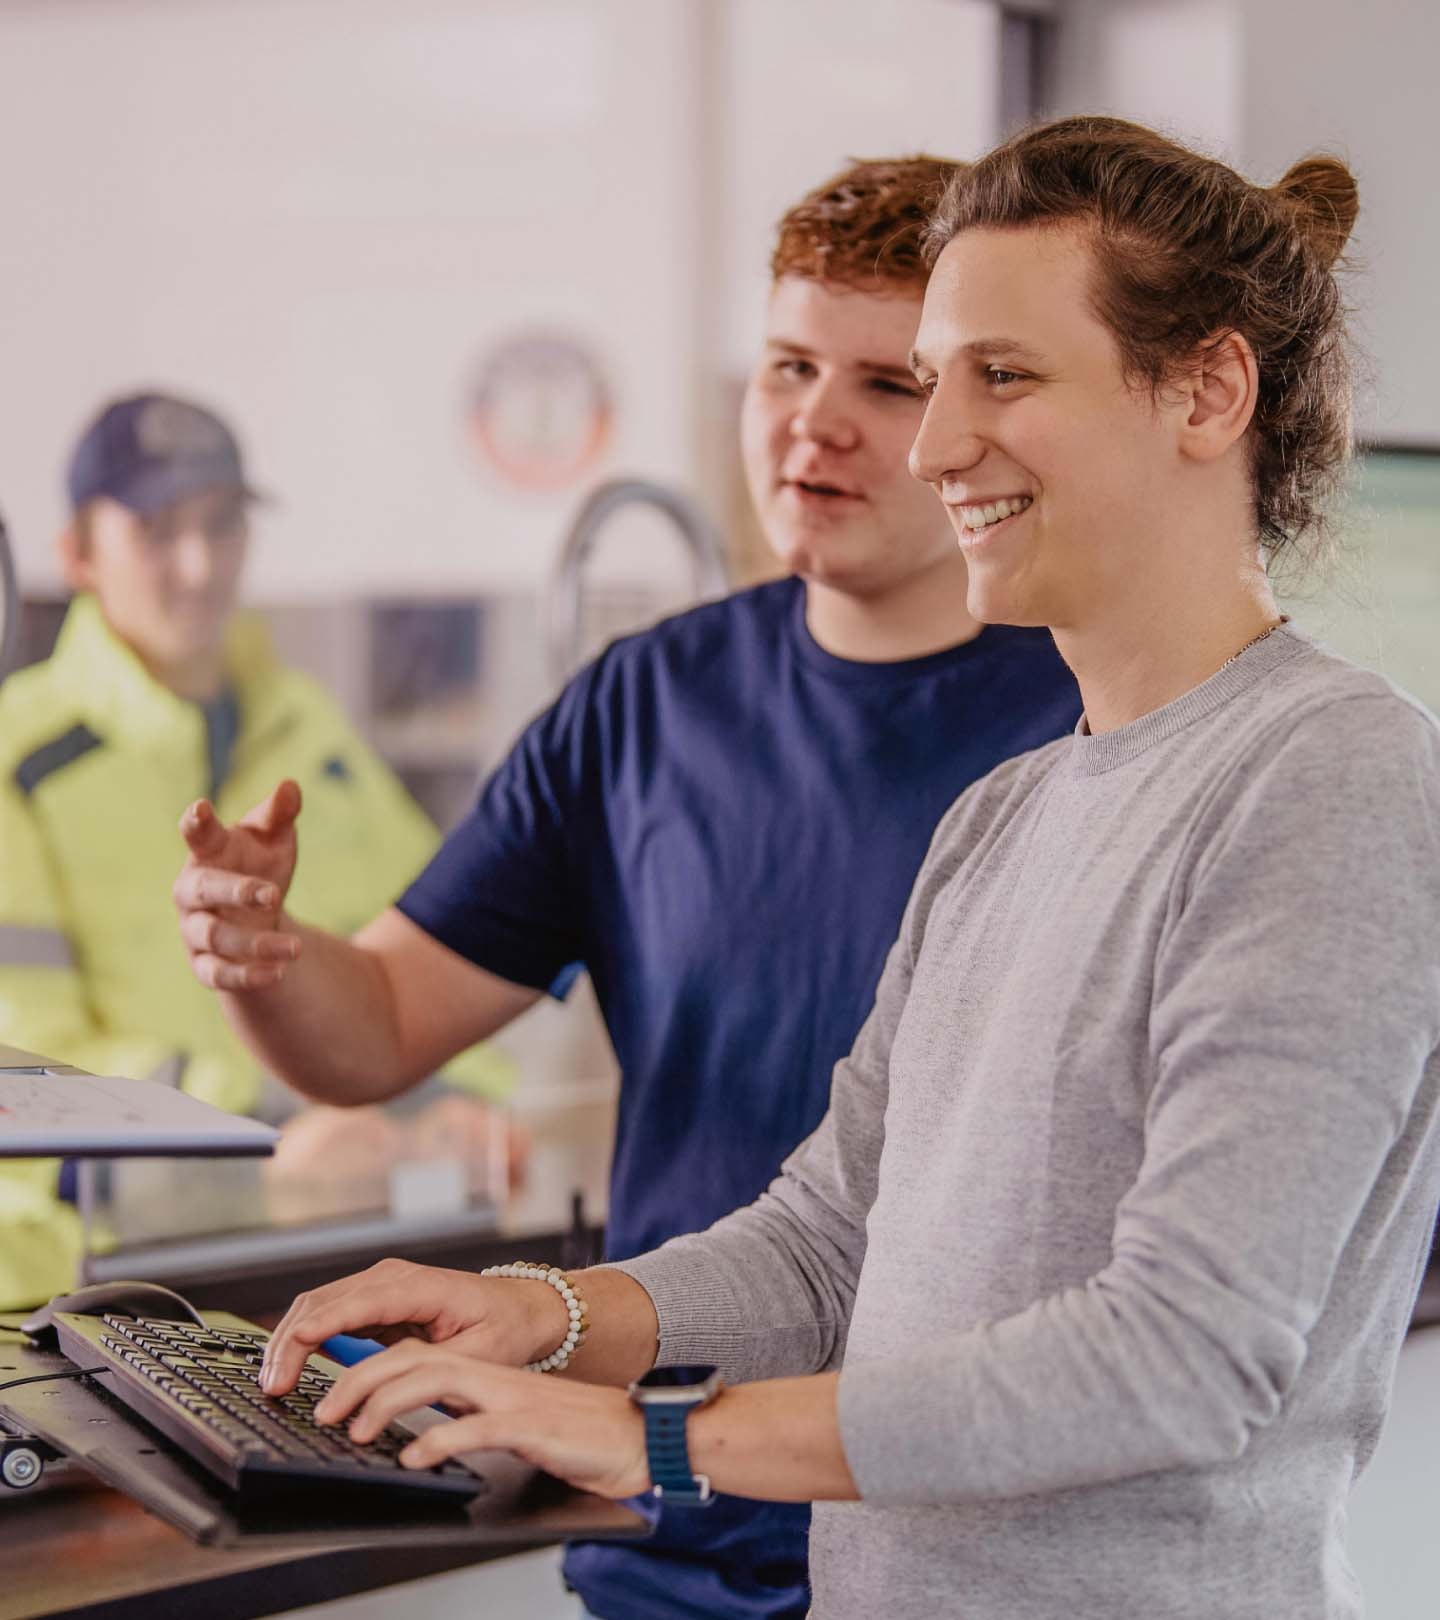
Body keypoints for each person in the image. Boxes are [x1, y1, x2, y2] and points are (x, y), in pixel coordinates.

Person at [248, 118, 1440, 1620]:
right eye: (933, 379)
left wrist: (655, 1436)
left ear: (1207, 390)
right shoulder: (1006, 817)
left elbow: (1182, 1356)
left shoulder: (1329, 776)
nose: (936, 444)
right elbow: (827, 1247)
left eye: (1000, 376)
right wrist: (538, 1314)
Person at [172, 158, 1082, 1620]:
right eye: (787, 365)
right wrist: (268, 958)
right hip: (671, 1522)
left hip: (950, 1539)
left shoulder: (1088, 718)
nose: (816, 423)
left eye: (888, 384)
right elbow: (383, 1025)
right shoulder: (649, 703)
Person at [0, 392, 513, 1311]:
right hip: (94, 1289)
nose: (199, 566)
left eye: (223, 524)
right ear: (78, 552)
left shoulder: (312, 729)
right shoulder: (14, 757)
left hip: (334, 1248)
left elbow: (446, 941)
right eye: (157, 530)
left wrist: (456, 1106)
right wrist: (265, 1135)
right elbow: (26, 1074)